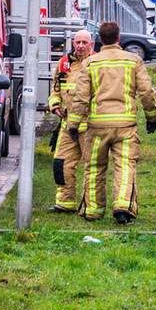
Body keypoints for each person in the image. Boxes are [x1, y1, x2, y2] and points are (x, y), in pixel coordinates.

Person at [67, 21, 156, 224]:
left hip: (97, 126)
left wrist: (73, 124)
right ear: (119, 38)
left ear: (99, 40)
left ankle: (92, 210)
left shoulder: (90, 63)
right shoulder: (133, 61)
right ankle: (123, 207)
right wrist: (151, 117)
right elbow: (146, 92)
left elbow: (81, 98)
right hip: (125, 126)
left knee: (94, 167)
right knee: (125, 166)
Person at [48, 29, 94, 212]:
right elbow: (56, 89)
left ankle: (91, 204)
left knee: (92, 167)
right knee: (61, 162)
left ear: (91, 45)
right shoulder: (64, 63)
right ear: (73, 43)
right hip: (68, 125)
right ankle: (65, 202)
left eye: (85, 43)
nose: (81, 46)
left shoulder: (96, 62)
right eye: (78, 42)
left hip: (90, 125)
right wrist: (55, 104)